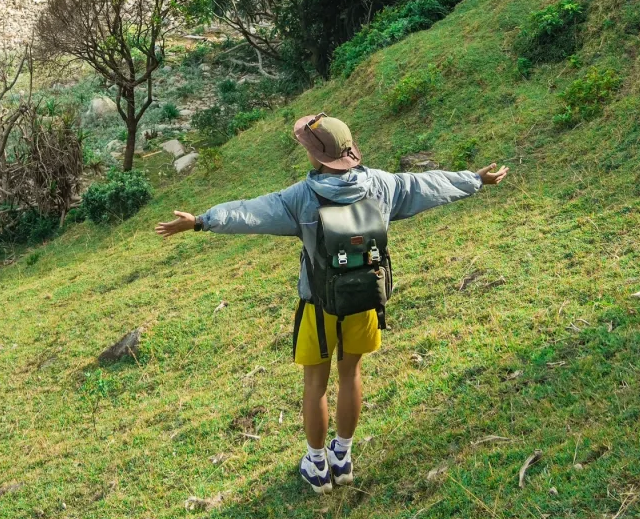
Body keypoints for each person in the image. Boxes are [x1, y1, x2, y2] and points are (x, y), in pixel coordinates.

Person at [156, 112, 508, 495]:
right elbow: (426, 184)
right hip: (365, 300)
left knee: (315, 384)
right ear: (349, 152)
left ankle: (317, 464)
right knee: (351, 374)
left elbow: (251, 212)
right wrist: (473, 179)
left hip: (318, 304)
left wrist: (202, 221)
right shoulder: (383, 185)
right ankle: (343, 457)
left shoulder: (301, 198)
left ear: (317, 157)